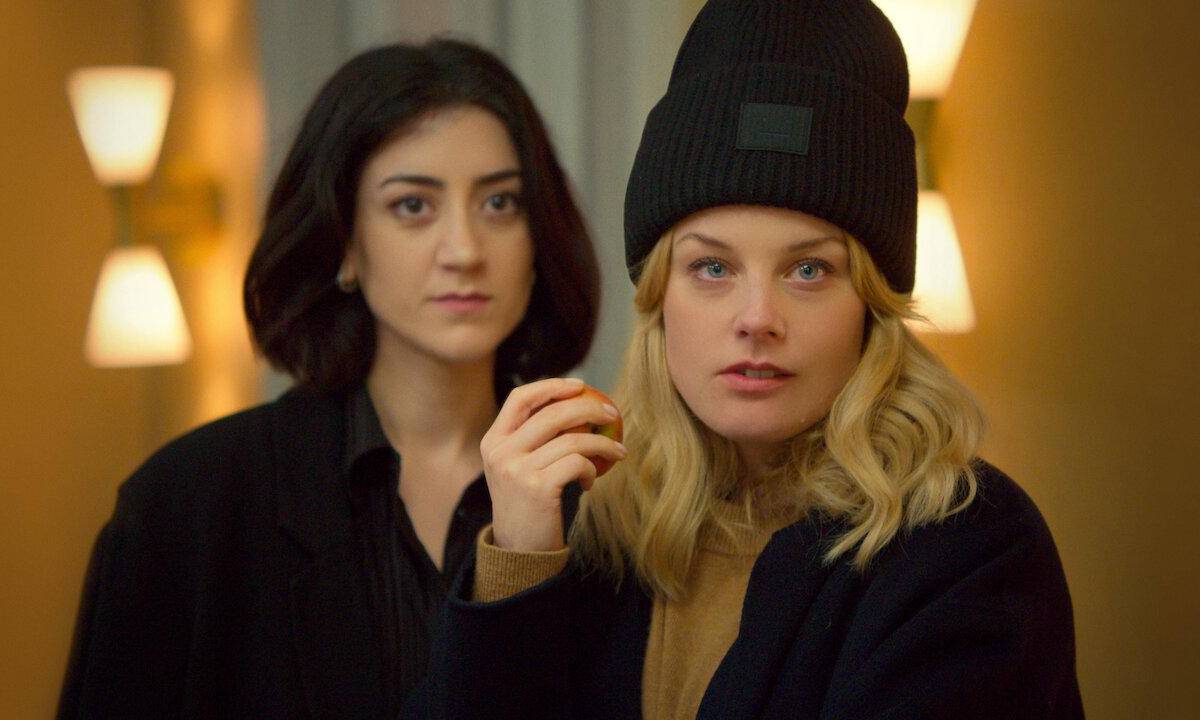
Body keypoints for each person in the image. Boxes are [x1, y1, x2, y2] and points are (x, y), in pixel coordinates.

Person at [415, 1, 1084, 718]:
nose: (758, 318)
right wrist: (519, 569)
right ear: (658, 297)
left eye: (809, 270)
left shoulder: (970, 549)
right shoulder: (588, 526)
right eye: (712, 268)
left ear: (871, 304)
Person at [57, 40, 599, 719]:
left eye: (500, 203)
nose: (464, 251)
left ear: (536, 239)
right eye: (413, 206)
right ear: (344, 244)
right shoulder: (187, 504)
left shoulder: (604, 503)